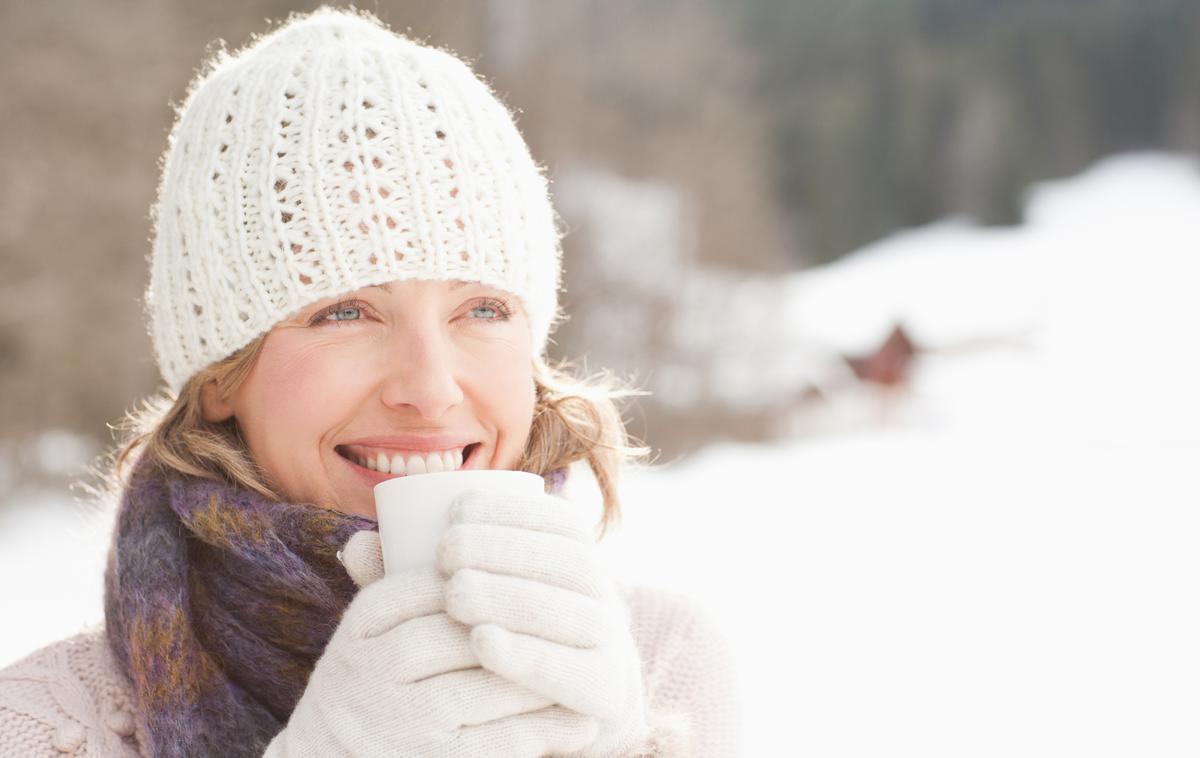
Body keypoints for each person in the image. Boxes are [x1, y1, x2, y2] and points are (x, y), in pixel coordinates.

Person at [0, 6, 740, 758]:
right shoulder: (43, 728)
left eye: (481, 308)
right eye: (345, 312)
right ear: (221, 378)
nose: (430, 388)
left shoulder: (658, 667)